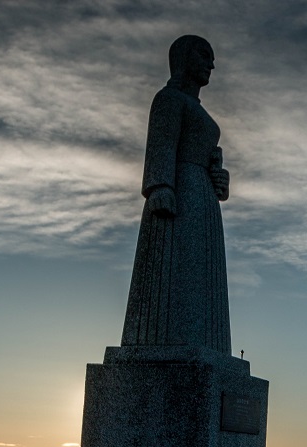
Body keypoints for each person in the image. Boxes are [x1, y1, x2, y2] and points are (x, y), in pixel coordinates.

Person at [121, 35, 233, 353]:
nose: (211, 63)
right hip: (179, 190)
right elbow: (163, 144)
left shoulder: (196, 109)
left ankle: (207, 345)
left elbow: (205, 154)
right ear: (183, 57)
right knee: (174, 274)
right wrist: (160, 187)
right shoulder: (168, 99)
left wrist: (219, 179)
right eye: (203, 54)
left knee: (202, 278)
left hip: (204, 197)